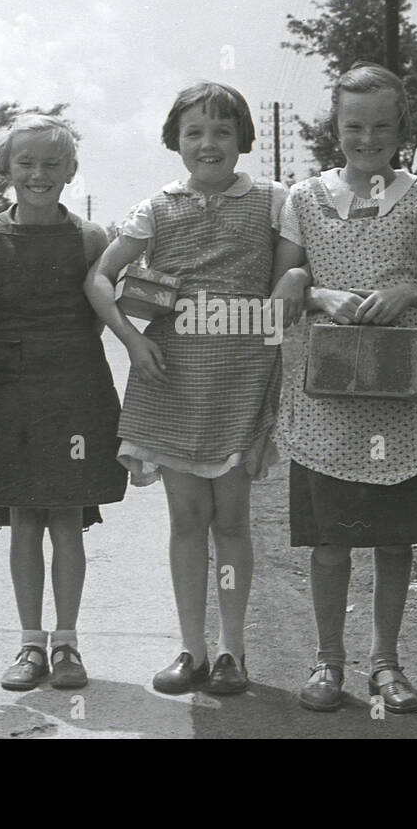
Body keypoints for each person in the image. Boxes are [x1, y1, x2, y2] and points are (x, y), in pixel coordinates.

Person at [272, 63, 417, 713]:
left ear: (402, 127)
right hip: (329, 394)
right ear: (335, 126)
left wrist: (409, 289)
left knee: (393, 536)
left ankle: (386, 661)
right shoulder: (303, 199)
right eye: (353, 124)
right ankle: (329, 662)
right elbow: (283, 289)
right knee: (331, 540)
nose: (367, 137)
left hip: (401, 393)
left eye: (382, 124)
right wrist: (321, 292)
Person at [85, 82, 285, 695]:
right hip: (172, 381)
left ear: (243, 140)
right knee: (186, 519)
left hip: (242, 381)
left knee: (231, 521)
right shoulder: (156, 208)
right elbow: (99, 277)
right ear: (176, 140)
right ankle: (191, 649)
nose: (208, 143)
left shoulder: (275, 202)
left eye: (223, 131)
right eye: (194, 132)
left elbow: (285, 290)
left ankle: (232, 652)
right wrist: (131, 339)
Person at [0, 114, 127, 691]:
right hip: (9, 397)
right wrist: (4, 383)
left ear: (71, 171)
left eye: (52, 164)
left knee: (68, 520)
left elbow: (99, 315)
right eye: (26, 163)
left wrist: (61, 368)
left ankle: (67, 645)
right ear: (6, 169)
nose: (38, 174)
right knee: (23, 520)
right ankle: (29, 644)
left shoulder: (91, 238)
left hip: (75, 394)